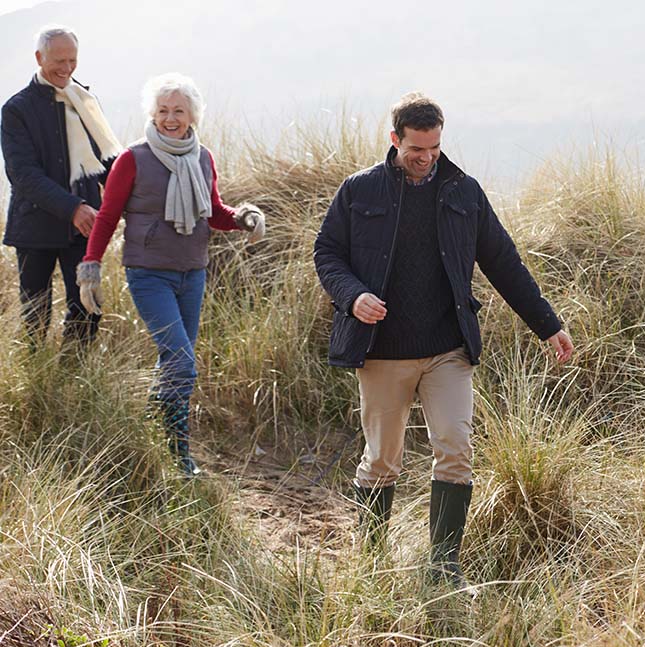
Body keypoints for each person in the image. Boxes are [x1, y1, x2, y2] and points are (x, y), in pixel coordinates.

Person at [313, 93, 574, 579]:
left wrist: (548, 324)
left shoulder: (464, 192)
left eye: (434, 147)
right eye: (417, 148)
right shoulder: (359, 191)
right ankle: (372, 564)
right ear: (395, 140)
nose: (427, 157)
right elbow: (327, 252)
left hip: (447, 350)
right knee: (382, 461)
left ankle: (443, 566)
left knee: (455, 447)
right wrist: (352, 297)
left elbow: (503, 262)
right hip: (382, 352)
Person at [75, 73, 264, 475]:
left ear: (192, 115)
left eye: (178, 110)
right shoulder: (133, 159)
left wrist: (244, 217)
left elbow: (213, 212)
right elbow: (108, 216)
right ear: (152, 114)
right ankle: (179, 452)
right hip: (148, 273)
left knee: (173, 362)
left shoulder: (202, 157)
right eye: (163, 110)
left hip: (192, 273)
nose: (170, 118)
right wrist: (91, 265)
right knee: (181, 361)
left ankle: (149, 433)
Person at [2, 25, 121, 348]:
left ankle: (72, 379)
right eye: (59, 60)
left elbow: (108, 161)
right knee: (35, 316)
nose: (67, 68)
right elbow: (23, 174)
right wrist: (73, 208)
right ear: (39, 57)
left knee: (88, 306)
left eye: (72, 60)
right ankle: (39, 385)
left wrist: (129, 200)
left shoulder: (85, 101)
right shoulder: (16, 109)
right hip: (34, 227)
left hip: (83, 229)